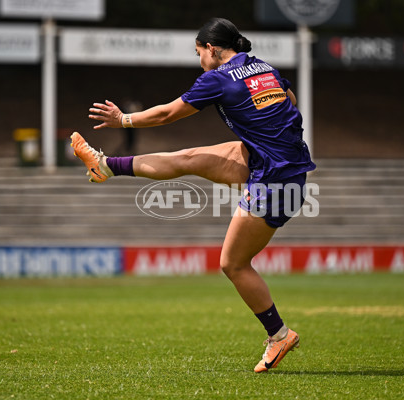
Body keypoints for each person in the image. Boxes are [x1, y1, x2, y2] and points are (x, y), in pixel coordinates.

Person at [71, 17, 316, 373]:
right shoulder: (264, 67)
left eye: (199, 52)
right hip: (280, 164)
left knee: (232, 264)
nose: (199, 59)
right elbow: (290, 101)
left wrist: (124, 120)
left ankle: (279, 335)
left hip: (275, 180)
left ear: (213, 49)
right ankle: (105, 165)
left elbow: (169, 113)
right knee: (189, 158)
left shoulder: (217, 78)